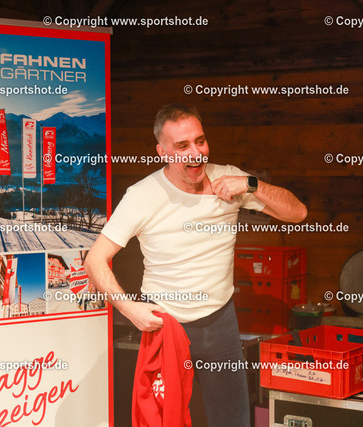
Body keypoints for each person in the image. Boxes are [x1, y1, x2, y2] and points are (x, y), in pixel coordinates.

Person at [85, 104, 307, 426]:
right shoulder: (142, 195)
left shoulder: (229, 179)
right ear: (162, 152)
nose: (196, 153)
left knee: (233, 420)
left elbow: (298, 213)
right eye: (182, 145)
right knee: (164, 421)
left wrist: (251, 184)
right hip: (167, 326)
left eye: (200, 141)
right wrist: (129, 309)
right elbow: (95, 259)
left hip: (221, 324)